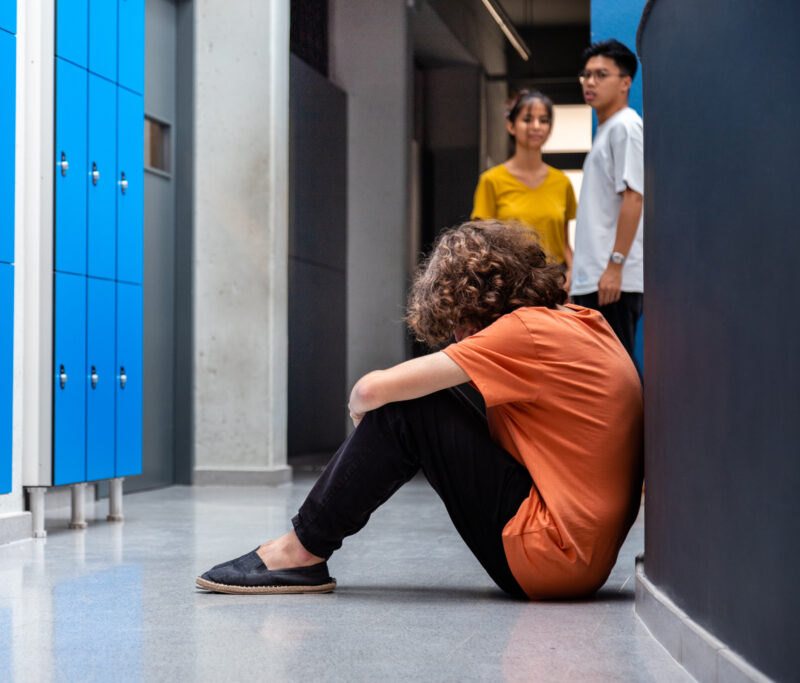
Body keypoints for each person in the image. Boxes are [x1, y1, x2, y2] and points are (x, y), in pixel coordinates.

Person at [196, 220, 644, 600]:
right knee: (427, 400)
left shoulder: (521, 332)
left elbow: (369, 392)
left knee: (408, 409)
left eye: (456, 323)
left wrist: (369, 419)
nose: (459, 336)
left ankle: (300, 551)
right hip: (586, 557)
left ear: (477, 303)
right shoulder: (580, 322)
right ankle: (303, 546)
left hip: (550, 557)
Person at [570, 39, 644, 357]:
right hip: (596, 279)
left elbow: (635, 197)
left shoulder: (626, 127)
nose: (590, 82)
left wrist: (615, 267)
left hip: (612, 281)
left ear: (625, 82)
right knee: (603, 375)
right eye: (586, 75)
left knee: (617, 374)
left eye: (601, 74)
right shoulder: (607, 131)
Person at [472, 90, 577, 287]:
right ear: (511, 125)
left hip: (553, 285)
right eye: (527, 119)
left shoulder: (562, 182)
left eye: (544, 120)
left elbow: (564, 244)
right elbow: (480, 245)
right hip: (508, 286)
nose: (536, 126)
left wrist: (571, 273)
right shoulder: (491, 181)